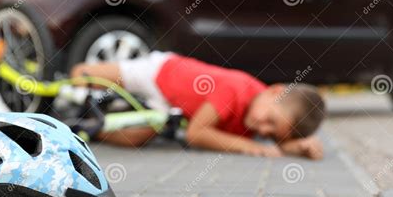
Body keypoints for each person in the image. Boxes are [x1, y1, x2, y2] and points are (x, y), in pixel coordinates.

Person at [70, 51, 326, 159]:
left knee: (139, 135)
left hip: (168, 109)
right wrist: (249, 147)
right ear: (274, 91)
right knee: (86, 76)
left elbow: (278, 142)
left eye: (272, 134)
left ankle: (85, 128)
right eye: (270, 121)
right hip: (160, 73)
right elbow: (196, 133)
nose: (264, 131)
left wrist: (296, 147)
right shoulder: (236, 89)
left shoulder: (264, 113)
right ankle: (63, 91)